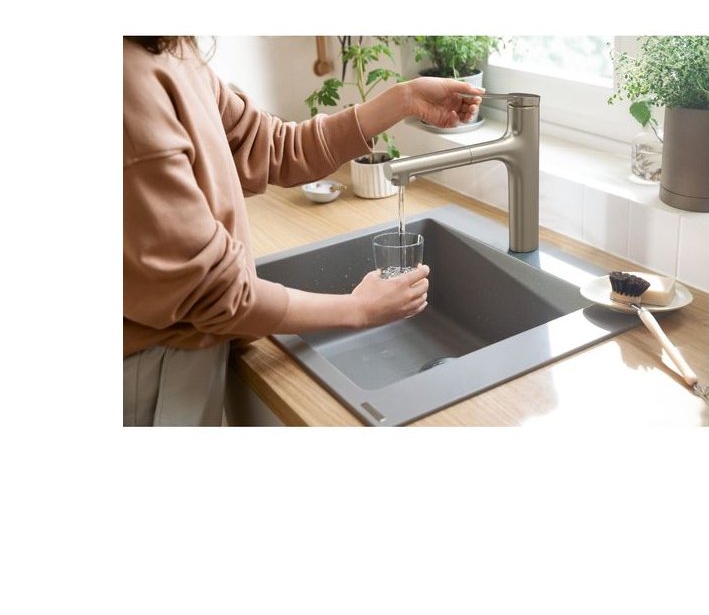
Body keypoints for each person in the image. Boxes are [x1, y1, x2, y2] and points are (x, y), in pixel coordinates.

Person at [123, 36, 483, 426]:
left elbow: (269, 145)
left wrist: (403, 99)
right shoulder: (129, 86)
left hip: (183, 349)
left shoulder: (171, 49)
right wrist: (358, 309)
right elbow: (214, 294)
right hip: (150, 369)